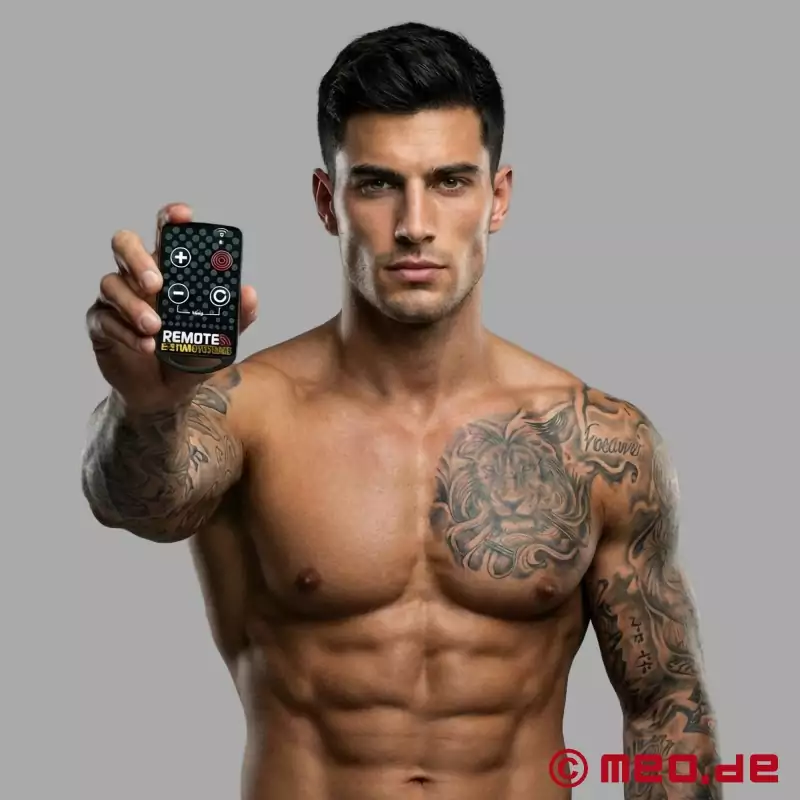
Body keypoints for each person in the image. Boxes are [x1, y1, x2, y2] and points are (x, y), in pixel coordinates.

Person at [81, 21, 720, 800]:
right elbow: (136, 503)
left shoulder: (596, 441)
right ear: (328, 201)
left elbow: (663, 705)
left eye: (450, 181)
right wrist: (149, 406)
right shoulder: (248, 414)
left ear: (498, 197)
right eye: (377, 184)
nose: (414, 224)